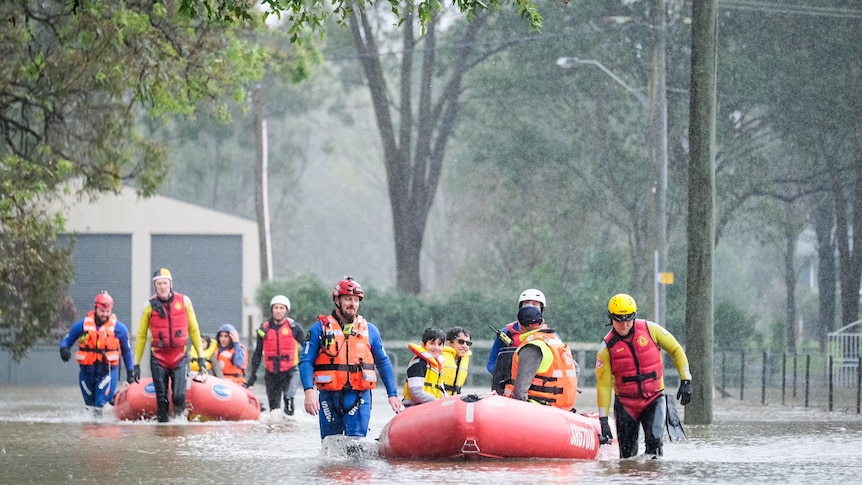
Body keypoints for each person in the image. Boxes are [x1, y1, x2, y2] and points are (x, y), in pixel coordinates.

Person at [299, 276, 401, 440]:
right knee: (330, 449)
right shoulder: (319, 329)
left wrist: (392, 394)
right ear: (337, 300)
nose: (352, 304)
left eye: (355, 300)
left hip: (359, 396)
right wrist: (309, 392)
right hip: (329, 397)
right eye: (347, 299)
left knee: (356, 447)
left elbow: (383, 362)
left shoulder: (370, 330)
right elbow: (306, 361)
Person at [596, 293, 693, 458]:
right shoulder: (606, 348)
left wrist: (686, 380)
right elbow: (603, 385)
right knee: (627, 455)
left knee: (654, 443)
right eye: (619, 319)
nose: (624, 324)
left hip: (654, 399)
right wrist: (603, 420)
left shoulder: (651, 330)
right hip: (626, 404)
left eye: (629, 319)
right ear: (611, 318)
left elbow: (676, 350)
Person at [133, 268, 206, 422]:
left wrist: (201, 358)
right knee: (162, 399)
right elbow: (140, 336)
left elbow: (194, 330)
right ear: (155, 286)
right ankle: (163, 431)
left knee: (179, 396)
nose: (163, 287)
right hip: (159, 358)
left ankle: (179, 424)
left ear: (171, 284)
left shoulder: (184, 301)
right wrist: (136, 364)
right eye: (159, 284)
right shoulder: (148, 306)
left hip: (179, 356)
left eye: (165, 283)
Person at [59, 291, 135, 417]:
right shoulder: (82, 325)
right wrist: (64, 349)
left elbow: (127, 352)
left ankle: (101, 432)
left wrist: (130, 373)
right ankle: (91, 433)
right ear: (95, 309)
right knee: (89, 406)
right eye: (102, 311)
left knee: (100, 403)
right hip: (86, 373)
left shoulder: (120, 329)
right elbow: (67, 341)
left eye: (107, 311)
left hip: (108, 372)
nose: (105, 314)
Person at [503, 305, 578, 411]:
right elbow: (576, 369)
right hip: (562, 409)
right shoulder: (556, 342)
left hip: (539, 409)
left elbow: (520, 391)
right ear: (542, 322)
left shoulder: (532, 347)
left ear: (521, 326)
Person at [245, 295, 305, 416]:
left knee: (288, 400)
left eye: (281, 308)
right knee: (274, 410)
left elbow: (307, 347)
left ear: (286, 310)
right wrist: (252, 377)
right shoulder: (264, 329)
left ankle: (290, 428)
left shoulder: (295, 328)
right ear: (272, 310)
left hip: (290, 372)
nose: (278, 311)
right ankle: (275, 430)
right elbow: (257, 353)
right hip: (271, 373)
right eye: (276, 308)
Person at [487, 288, 548, 394]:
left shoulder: (550, 336)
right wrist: (503, 379)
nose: (530, 306)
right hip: (506, 388)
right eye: (526, 303)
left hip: (536, 389)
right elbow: (492, 362)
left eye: (534, 304)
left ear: (541, 308)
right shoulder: (506, 333)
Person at [401, 327, 446, 407]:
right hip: (416, 408)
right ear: (423, 345)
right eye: (432, 343)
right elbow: (416, 393)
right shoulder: (418, 364)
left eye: (439, 344)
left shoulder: (437, 366)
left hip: (431, 406)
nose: (436, 347)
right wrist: (437, 402)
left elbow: (441, 392)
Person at [441, 326, 472, 396]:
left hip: (451, 401)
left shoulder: (461, 361)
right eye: (461, 342)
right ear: (448, 344)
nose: (465, 346)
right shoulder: (439, 357)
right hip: (435, 401)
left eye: (468, 343)